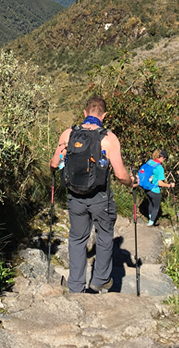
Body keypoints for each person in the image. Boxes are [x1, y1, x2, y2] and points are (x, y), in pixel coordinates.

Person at [50, 95, 137, 293]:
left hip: (75, 196)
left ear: (85, 112)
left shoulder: (68, 134)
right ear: (104, 115)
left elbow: (54, 164)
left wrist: (54, 167)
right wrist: (132, 182)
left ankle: (75, 286)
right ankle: (100, 280)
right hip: (100, 197)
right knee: (105, 236)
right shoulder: (109, 138)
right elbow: (121, 175)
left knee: (77, 238)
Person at [141, 149, 175, 226]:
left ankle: (150, 218)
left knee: (150, 203)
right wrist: (169, 185)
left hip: (147, 188)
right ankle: (151, 222)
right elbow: (160, 183)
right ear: (162, 157)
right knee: (156, 206)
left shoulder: (149, 162)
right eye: (165, 159)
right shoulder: (159, 168)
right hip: (155, 190)